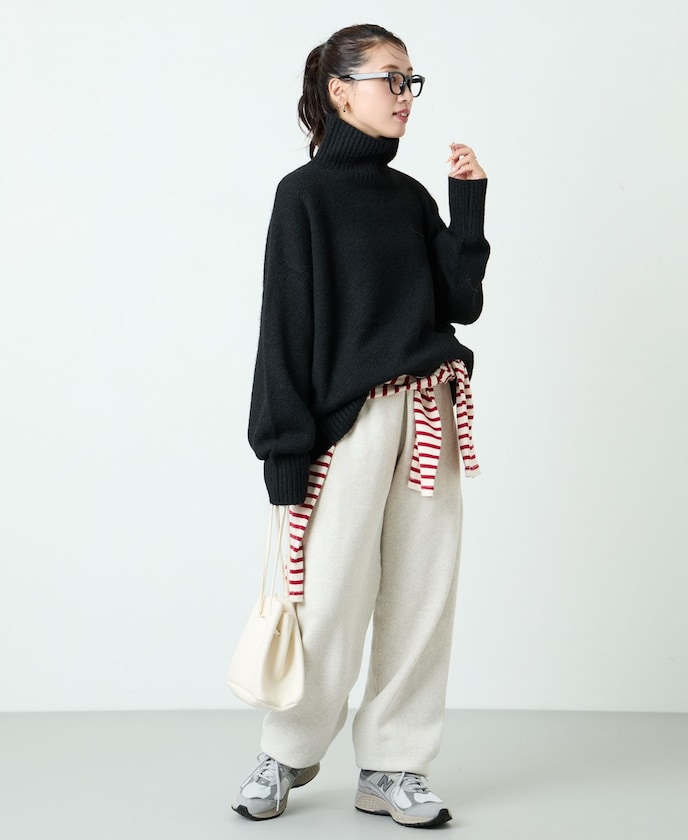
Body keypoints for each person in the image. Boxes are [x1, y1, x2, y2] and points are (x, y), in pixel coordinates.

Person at [233, 22, 490, 829]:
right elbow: (284, 326)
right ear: (341, 91)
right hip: (348, 424)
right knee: (328, 596)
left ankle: (394, 765)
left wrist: (467, 204)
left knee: (422, 595)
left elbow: (461, 305)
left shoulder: (411, 198)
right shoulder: (303, 196)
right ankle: (286, 750)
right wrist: (283, 448)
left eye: (412, 80)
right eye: (391, 78)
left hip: (430, 409)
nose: (406, 95)